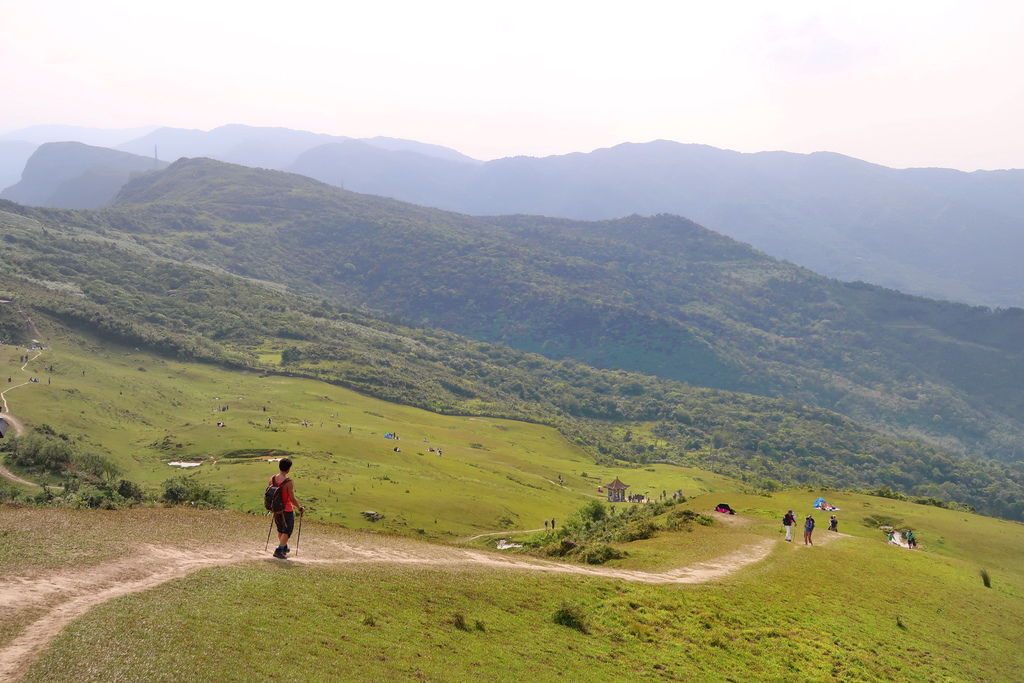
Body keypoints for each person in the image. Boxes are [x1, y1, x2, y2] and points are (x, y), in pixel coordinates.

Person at [270, 458, 304, 559]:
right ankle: (279, 550)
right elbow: (292, 499)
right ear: (288, 469)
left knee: (280, 529)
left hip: (276, 509)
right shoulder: (288, 482)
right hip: (287, 509)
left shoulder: (272, 479)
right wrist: (299, 507)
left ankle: (284, 547)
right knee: (287, 531)